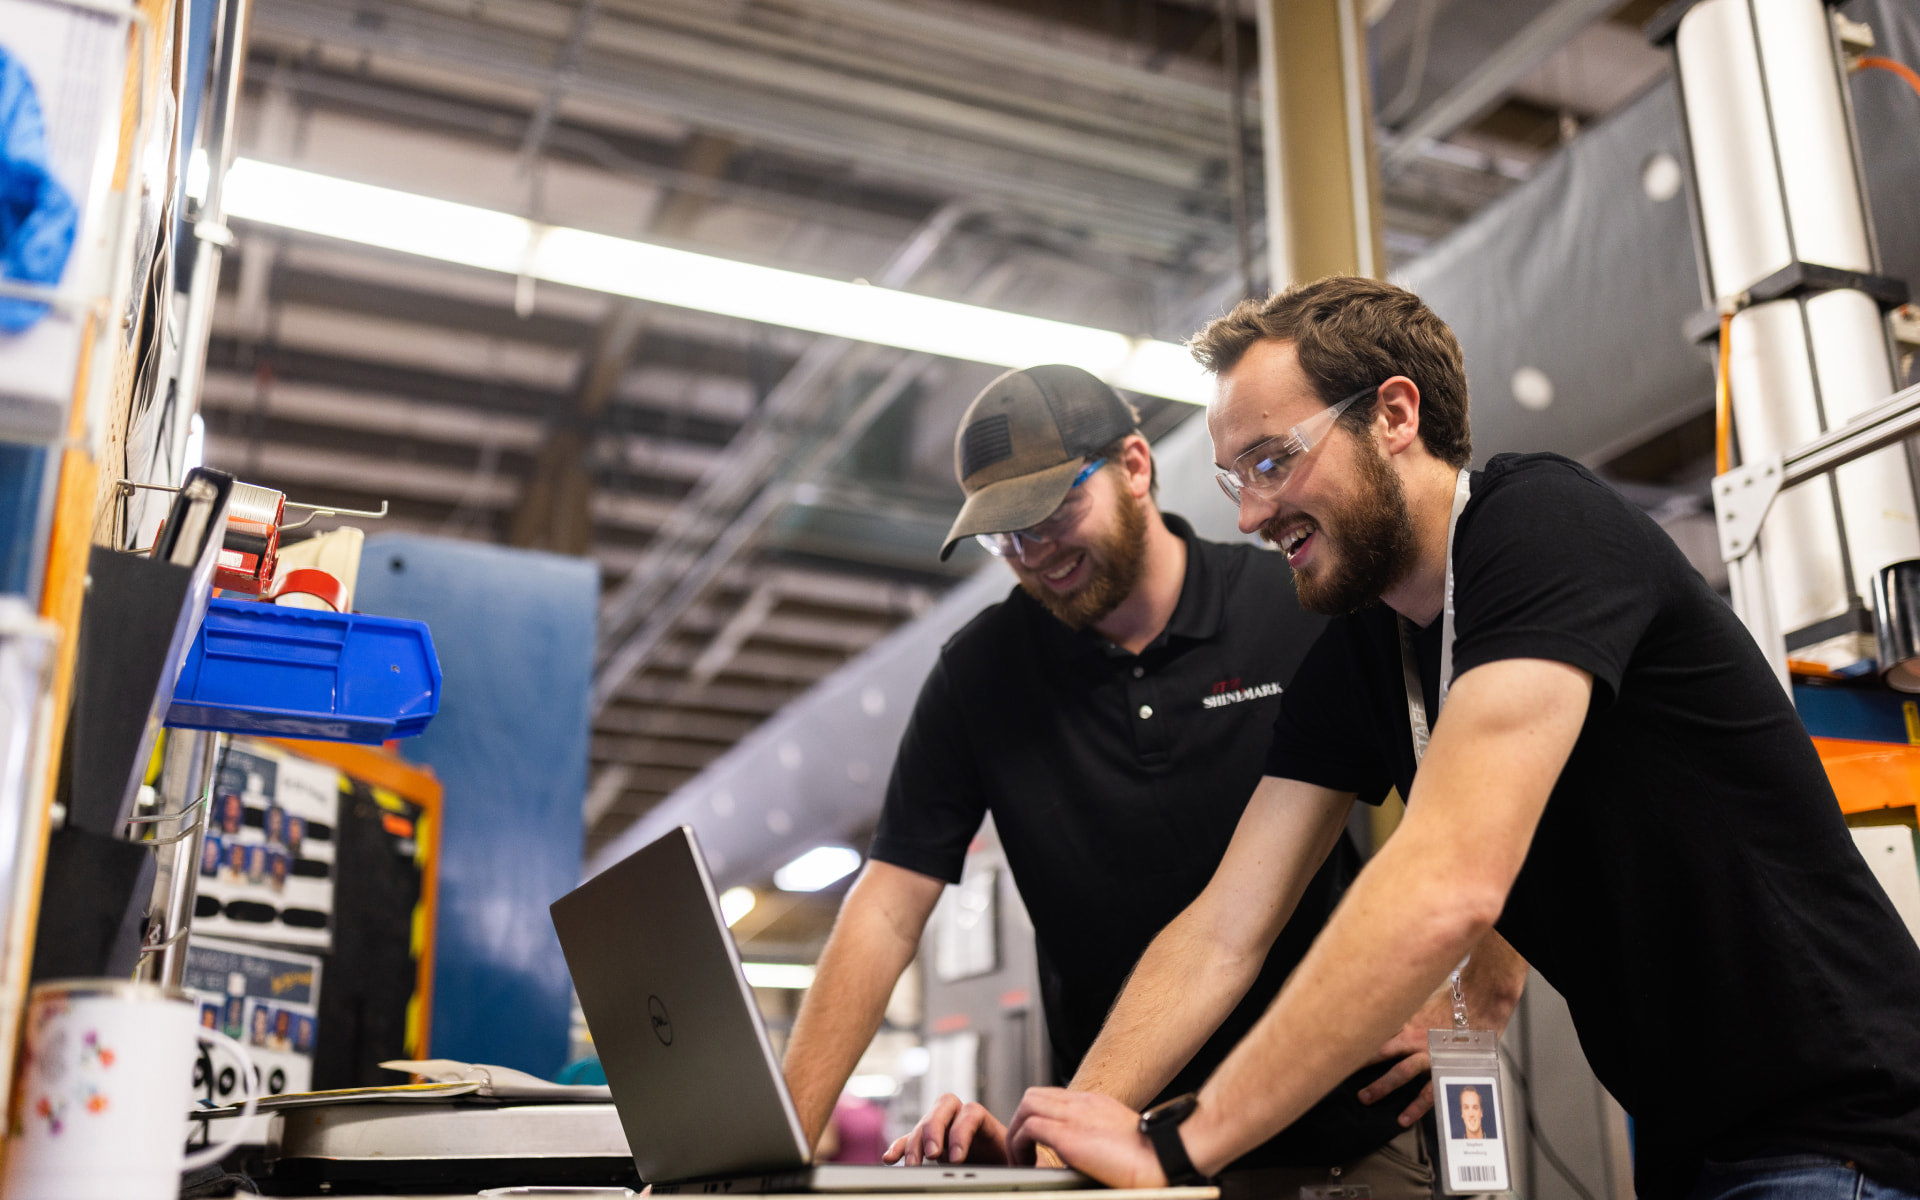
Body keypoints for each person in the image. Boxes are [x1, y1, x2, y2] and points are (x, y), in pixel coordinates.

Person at [1001, 277, 1920, 1200]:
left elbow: (1449, 877)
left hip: (1843, 1130)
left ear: (1395, 414)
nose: (1250, 514)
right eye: (1235, 480)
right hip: (1693, 1145)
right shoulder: (1366, 649)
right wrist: (1070, 1140)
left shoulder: (1542, 529)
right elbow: (1224, 928)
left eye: (1274, 462)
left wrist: (1176, 1149)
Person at [781, 364, 1526, 1200]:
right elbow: (884, 909)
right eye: (1005, 537)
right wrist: (773, 1149)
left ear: (1135, 465)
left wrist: (1480, 997)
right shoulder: (980, 677)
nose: (1035, 554)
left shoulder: (1294, 610)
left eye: (1054, 512)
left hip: (1339, 1141)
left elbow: (1485, 804)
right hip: (1115, 1144)